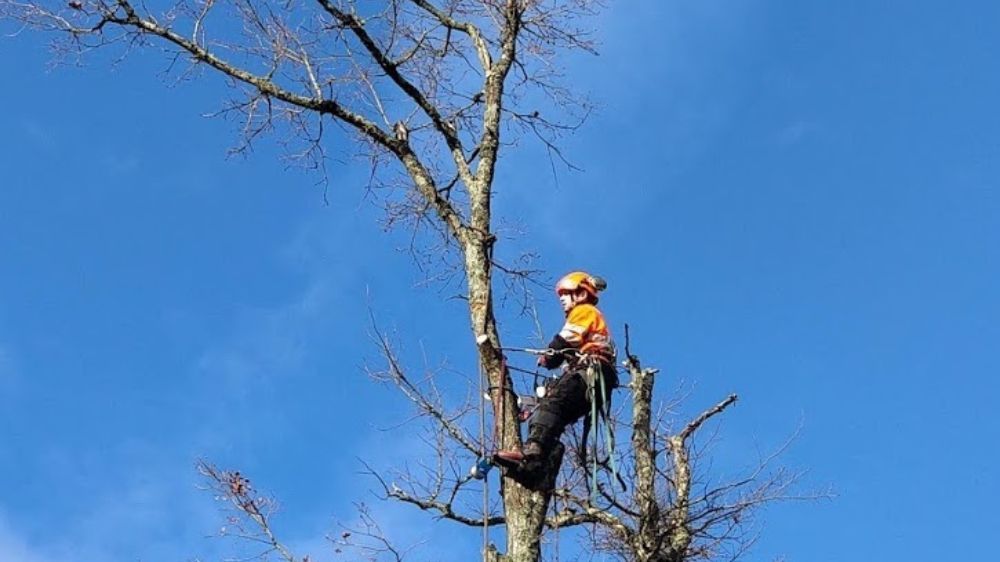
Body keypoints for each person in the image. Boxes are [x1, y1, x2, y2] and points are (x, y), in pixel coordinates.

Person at [494, 271, 618, 475]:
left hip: (591, 372)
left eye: (565, 294)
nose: (561, 299)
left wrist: (549, 356)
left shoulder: (585, 311)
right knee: (554, 414)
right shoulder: (588, 316)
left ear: (580, 294)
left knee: (552, 404)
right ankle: (536, 471)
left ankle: (532, 452)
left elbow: (567, 339)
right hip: (593, 379)